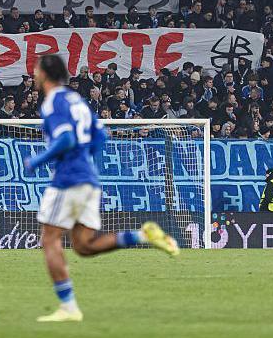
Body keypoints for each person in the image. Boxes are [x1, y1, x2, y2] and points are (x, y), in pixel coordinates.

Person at [24, 55, 178, 323]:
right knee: (83, 246)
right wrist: (88, 162)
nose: (34, 75)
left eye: (36, 70)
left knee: (49, 239)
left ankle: (69, 308)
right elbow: (101, 135)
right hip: (88, 178)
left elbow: (66, 138)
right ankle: (142, 236)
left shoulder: (54, 102)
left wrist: (37, 160)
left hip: (68, 178)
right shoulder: (76, 101)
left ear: (45, 73)